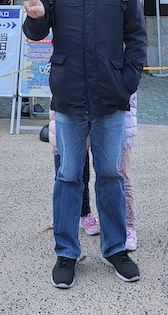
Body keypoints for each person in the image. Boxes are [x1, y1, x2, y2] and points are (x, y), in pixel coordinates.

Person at [20, 0, 146, 289]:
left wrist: (127, 81)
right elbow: (37, 33)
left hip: (111, 98)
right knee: (69, 176)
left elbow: (137, 38)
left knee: (110, 175)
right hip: (70, 97)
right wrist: (37, 19)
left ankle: (116, 248)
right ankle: (66, 252)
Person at [48, 90, 138, 249]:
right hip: (70, 111)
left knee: (115, 174)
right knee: (70, 173)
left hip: (113, 113)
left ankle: (126, 225)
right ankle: (79, 216)